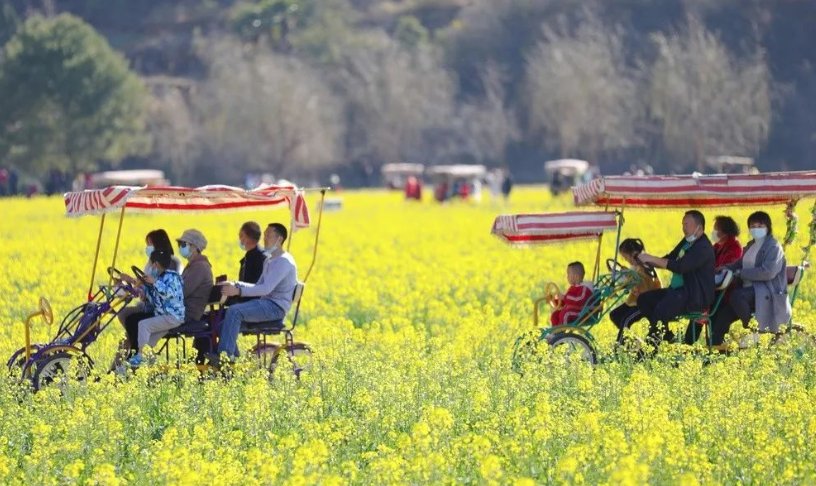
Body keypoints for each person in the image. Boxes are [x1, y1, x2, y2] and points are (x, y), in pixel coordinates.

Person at [210, 223, 298, 363]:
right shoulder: (270, 260)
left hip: (275, 307)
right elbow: (258, 286)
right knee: (222, 325)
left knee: (234, 311)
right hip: (265, 303)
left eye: (268, 235)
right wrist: (235, 284)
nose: (265, 238)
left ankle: (224, 358)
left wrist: (238, 290)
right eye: (265, 235)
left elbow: (266, 289)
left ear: (279, 239)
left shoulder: (284, 262)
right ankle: (234, 364)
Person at [710, 211, 791, 347]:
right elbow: (739, 263)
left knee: (736, 296)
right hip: (748, 292)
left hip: (765, 292)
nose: (756, 229)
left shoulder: (774, 247)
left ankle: (755, 328)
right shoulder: (751, 246)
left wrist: (740, 273)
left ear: (768, 226)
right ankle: (716, 352)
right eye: (753, 226)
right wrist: (725, 267)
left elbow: (768, 272)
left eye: (760, 225)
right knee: (721, 317)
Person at [636, 210, 715, 348]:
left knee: (660, 312)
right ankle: (666, 333)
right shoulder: (687, 241)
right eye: (682, 224)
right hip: (677, 291)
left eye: (686, 224)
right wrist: (646, 261)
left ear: (699, 228)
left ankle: (648, 352)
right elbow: (670, 258)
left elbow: (680, 267)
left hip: (692, 295)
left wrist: (650, 258)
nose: (683, 228)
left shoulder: (703, 247)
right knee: (644, 300)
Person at [112, 229, 182, 368]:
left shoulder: (171, 262)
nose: (147, 247)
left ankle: (136, 355)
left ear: (158, 243)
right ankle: (122, 362)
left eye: (150, 243)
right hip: (149, 303)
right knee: (125, 315)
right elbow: (143, 285)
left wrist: (141, 285)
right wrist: (130, 282)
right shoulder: (151, 262)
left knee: (133, 321)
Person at [683, 215, 743, 344]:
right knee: (698, 307)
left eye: (716, 228)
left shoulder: (734, 247)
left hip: (725, 293)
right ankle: (688, 344)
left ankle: (691, 344)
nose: (713, 232)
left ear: (725, 232)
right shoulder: (717, 246)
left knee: (702, 309)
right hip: (712, 290)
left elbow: (726, 271)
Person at [127, 250, 185, 367]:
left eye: (151, 263)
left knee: (143, 325)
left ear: (156, 264)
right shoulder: (157, 278)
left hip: (173, 317)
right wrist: (143, 292)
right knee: (148, 344)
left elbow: (170, 293)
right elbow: (155, 297)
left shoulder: (172, 277)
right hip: (162, 317)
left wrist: (155, 282)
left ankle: (140, 357)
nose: (150, 267)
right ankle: (147, 367)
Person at [608, 239, 661, 345]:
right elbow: (632, 279)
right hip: (636, 301)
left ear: (634, 254)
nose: (627, 261)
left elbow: (642, 284)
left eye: (626, 258)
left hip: (647, 302)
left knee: (625, 320)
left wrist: (626, 276)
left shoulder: (646, 266)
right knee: (615, 315)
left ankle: (619, 347)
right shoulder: (636, 267)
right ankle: (635, 343)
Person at [176, 229, 214, 324]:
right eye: (179, 244)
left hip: (187, 314)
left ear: (194, 247)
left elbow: (182, 292)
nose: (180, 247)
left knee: (138, 319)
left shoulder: (200, 267)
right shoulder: (193, 265)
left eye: (183, 244)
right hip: (180, 311)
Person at [550, 262, 593, 326]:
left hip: (580, 313)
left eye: (568, 274)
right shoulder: (573, 287)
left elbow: (579, 300)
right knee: (555, 314)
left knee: (566, 313)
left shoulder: (585, 288)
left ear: (576, 276)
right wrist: (554, 300)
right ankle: (554, 331)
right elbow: (567, 302)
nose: (567, 276)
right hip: (572, 311)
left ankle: (560, 332)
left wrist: (564, 297)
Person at [232, 221, 267, 302]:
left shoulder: (260, 258)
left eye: (241, 236)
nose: (240, 239)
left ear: (249, 238)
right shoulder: (254, 255)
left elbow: (256, 287)